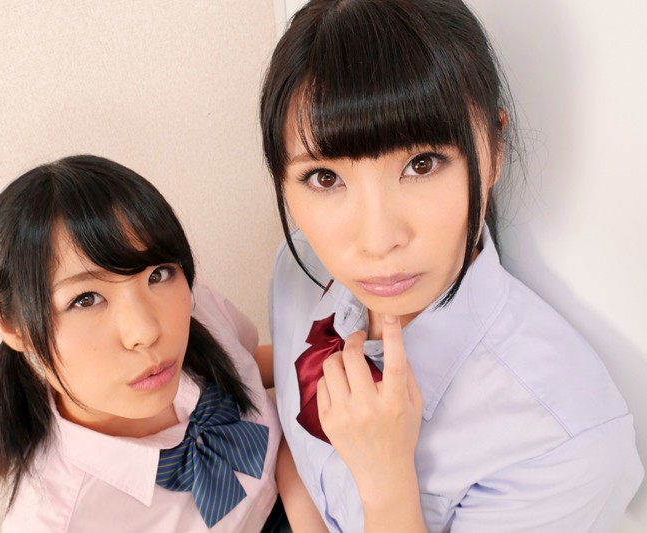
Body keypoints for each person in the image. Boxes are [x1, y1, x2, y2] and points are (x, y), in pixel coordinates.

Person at [259, 1, 644, 531]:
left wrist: (387, 486)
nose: (377, 241)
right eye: (325, 178)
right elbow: (296, 451)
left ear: (495, 148)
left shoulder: (564, 444)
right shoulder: (298, 268)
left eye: (422, 164)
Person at [0, 155, 282, 531]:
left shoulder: (196, 306)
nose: (145, 332)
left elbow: (253, 363)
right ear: (14, 328)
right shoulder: (55, 522)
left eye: (157, 274)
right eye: (85, 299)